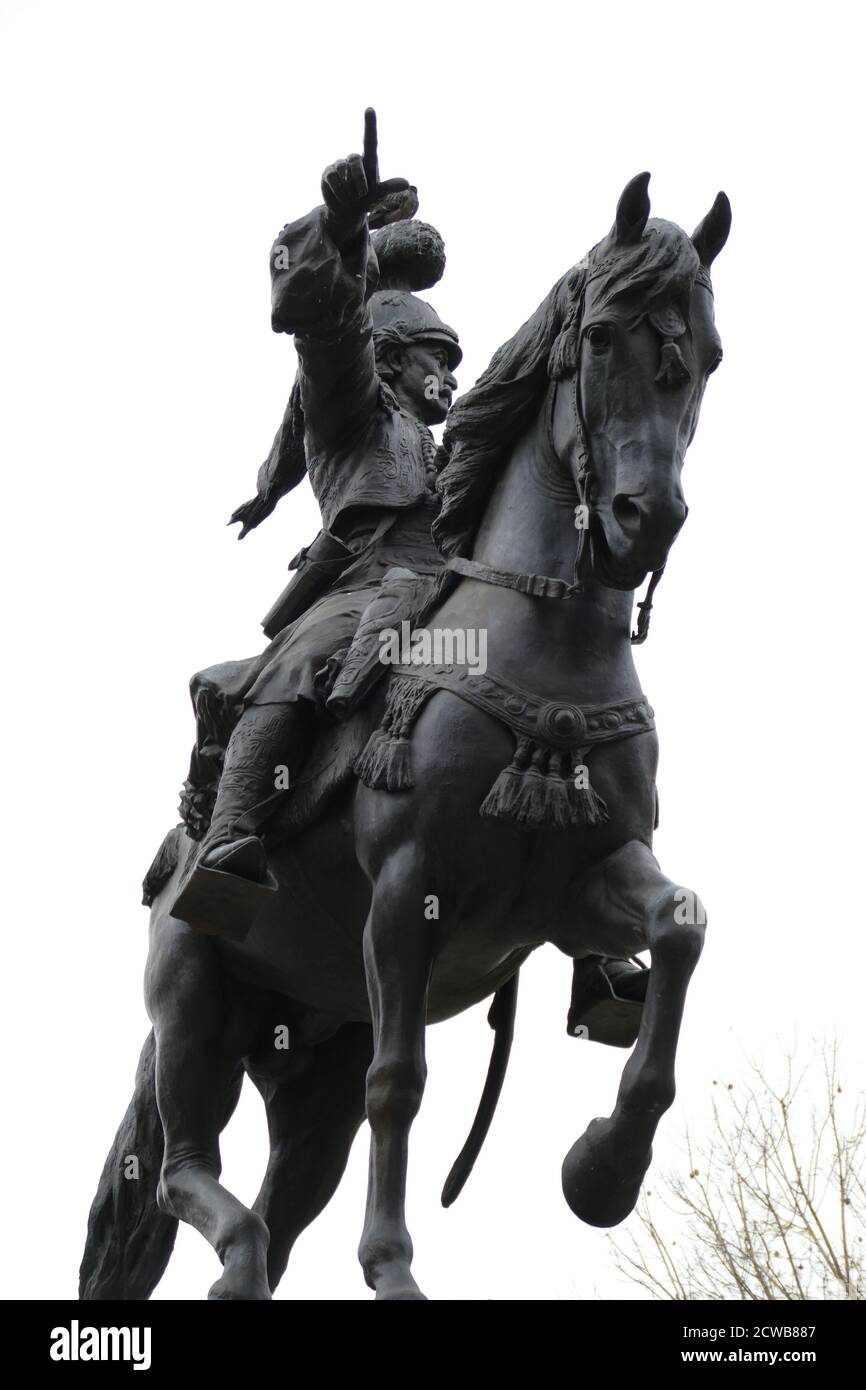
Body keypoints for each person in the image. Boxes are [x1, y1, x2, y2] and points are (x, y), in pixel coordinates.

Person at [171, 116, 460, 937]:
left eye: (450, 363)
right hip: (362, 580)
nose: (445, 376)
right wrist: (340, 232)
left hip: (446, 600)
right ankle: (231, 833)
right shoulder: (347, 415)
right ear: (393, 358)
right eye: (432, 359)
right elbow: (331, 338)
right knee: (302, 662)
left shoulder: (450, 447)